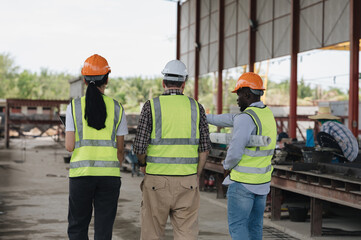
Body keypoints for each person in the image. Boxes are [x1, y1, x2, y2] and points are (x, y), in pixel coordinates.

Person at [133, 59, 211, 240]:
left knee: (151, 232)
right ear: (184, 84)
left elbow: (139, 146)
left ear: (163, 82)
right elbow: (205, 149)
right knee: (186, 233)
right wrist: (196, 174)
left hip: (156, 181)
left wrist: (143, 164)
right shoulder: (197, 108)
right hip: (187, 181)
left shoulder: (151, 106)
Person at [65, 54, 128, 240]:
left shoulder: (74, 107)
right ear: (106, 80)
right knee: (103, 229)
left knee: (77, 226)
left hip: (81, 176)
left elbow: (70, 146)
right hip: (109, 178)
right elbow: (120, 150)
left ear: (84, 80)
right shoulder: (117, 108)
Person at [207, 72, 277, 240]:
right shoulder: (266, 114)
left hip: (242, 185)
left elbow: (235, 150)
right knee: (255, 228)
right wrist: (205, 117)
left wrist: (226, 166)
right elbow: (229, 118)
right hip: (261, 184)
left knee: (238, 228)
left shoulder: (246, 118)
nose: (237, 99)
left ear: (247, 94)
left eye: (238, 94)